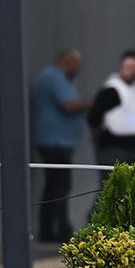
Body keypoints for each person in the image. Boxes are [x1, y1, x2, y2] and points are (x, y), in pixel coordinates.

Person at [30, 49, 91, 242]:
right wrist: (91, 103)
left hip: (56, 141)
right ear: (68, 62)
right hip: (55, 142)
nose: (77, 71)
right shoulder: (54, 78)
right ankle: (62, 229)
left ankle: (49, 229)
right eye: (76, 67)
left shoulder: (52, 78)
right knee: (60, 187)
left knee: (53, 186)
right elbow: (69, 105)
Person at [86, 50, 135, 188]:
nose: (133, 71)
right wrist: (97, 136)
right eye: (129, 67)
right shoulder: (113, 89)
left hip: (131, 148)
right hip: (113, 149)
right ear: (121, 67)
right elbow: (94, 115)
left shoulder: (132, 89)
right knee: (110, 190)